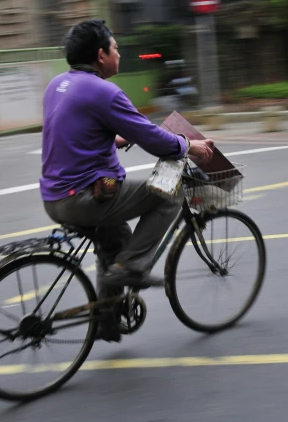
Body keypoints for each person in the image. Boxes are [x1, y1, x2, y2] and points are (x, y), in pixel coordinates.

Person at [40, 20, 214, 340]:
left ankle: (106, 320)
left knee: (115, 239)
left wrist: (112, 139)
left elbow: (75, 133)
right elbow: (152, 137)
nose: (118, 54)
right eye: (115, 48)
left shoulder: (58, 85)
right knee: (170, 192)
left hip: (55, 198)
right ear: (101, 55)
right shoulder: (104, 91)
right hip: (83, 198)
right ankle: (133, 267)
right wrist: (190, 146)